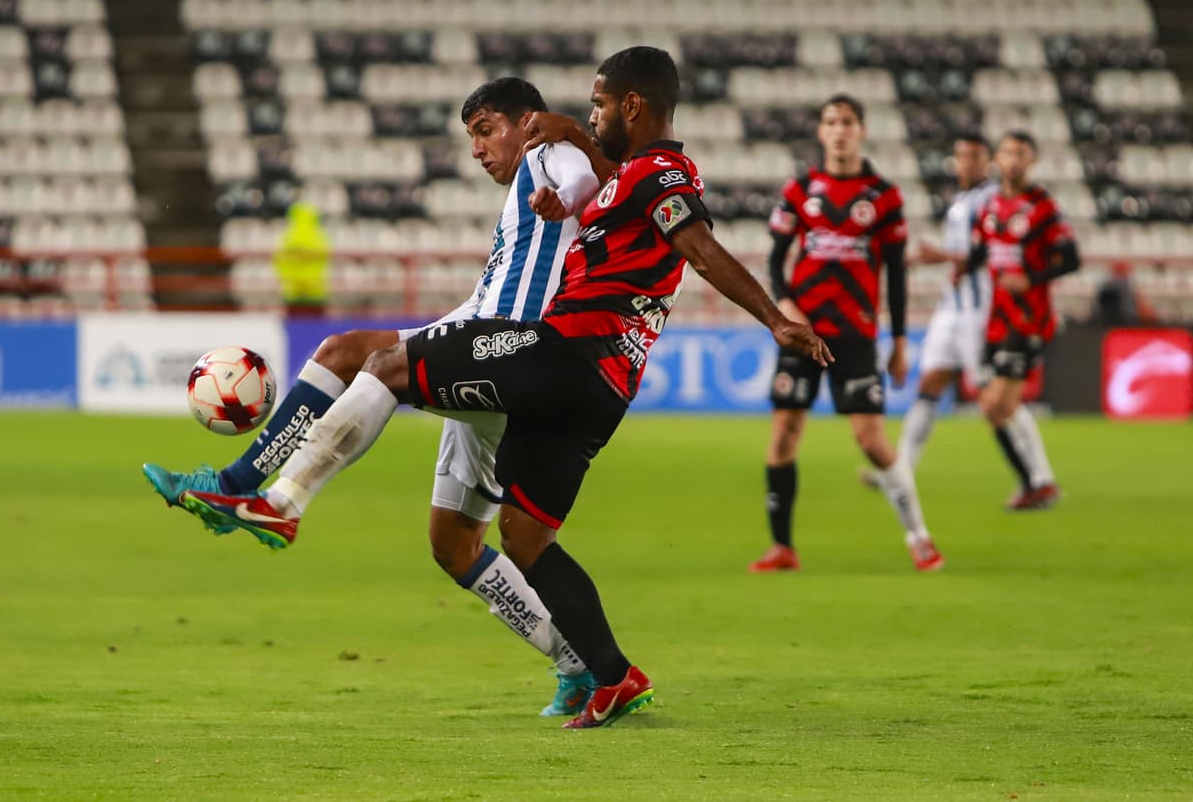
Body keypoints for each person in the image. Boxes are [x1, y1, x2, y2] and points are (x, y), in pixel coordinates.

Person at [177, 46, 831, 729]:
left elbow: (696, 245)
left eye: (600, 104)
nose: (592, 114)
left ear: (632, 105)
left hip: (565, 355)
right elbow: (610, 201)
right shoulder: (629, 178)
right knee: (524, 537)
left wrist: (774, 318)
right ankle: (614, 676)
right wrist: (568, 182)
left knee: (386, 367)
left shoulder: (663, 171)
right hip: (602, 392)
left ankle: (283, 499)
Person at [143, 77, 604, 716]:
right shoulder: (522, 191)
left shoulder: (543, 151)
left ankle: (261, 491)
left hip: (506, 349)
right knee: (454, 544)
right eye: (470, 135)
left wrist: (569, 198)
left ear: (525, 121)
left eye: (484, 129)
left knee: (370, 361)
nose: (477, 148)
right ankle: (577, 663)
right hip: (480, 343)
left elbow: (582, 178)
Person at [749, 93, 945, 574]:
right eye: (831, 121)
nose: (839, 130)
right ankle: (782, 548)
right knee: (782, 438)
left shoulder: (883, 196)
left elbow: (896, 275)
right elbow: (775, 259)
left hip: (855, 335)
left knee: (872, 441)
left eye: (848, 122)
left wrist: (899, 344)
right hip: (802, 333)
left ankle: (919, 537)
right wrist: (788, 306)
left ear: (861, 130)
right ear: (821, 131)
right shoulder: (799, 190)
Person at [859, 132, 998, 482]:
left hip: (979, 309)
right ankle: (900, 469)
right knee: (930, 382)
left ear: (987, 161)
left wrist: (942, 258)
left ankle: (1037, 477)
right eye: (962, 156)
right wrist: (927, 261)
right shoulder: (961, 201)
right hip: (953, 306)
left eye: (974, 156)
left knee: (993, 396)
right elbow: (962, 257)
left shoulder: (992, 199)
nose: (966, 163)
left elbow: (991, 251)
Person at [965, 130, 1080, 510]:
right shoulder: (990, 206)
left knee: (1000, 400)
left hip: (1028, 319)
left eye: (1020, 153)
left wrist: (1031, 279)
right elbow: (982, 252)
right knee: (991, 407)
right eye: (1006, 152)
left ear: (1031, 160)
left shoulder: (1043, 206)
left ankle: (1039, 482)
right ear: (996, 159)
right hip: (995, 319)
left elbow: (1071, 259)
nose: (1012, 159)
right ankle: (1035, 483)